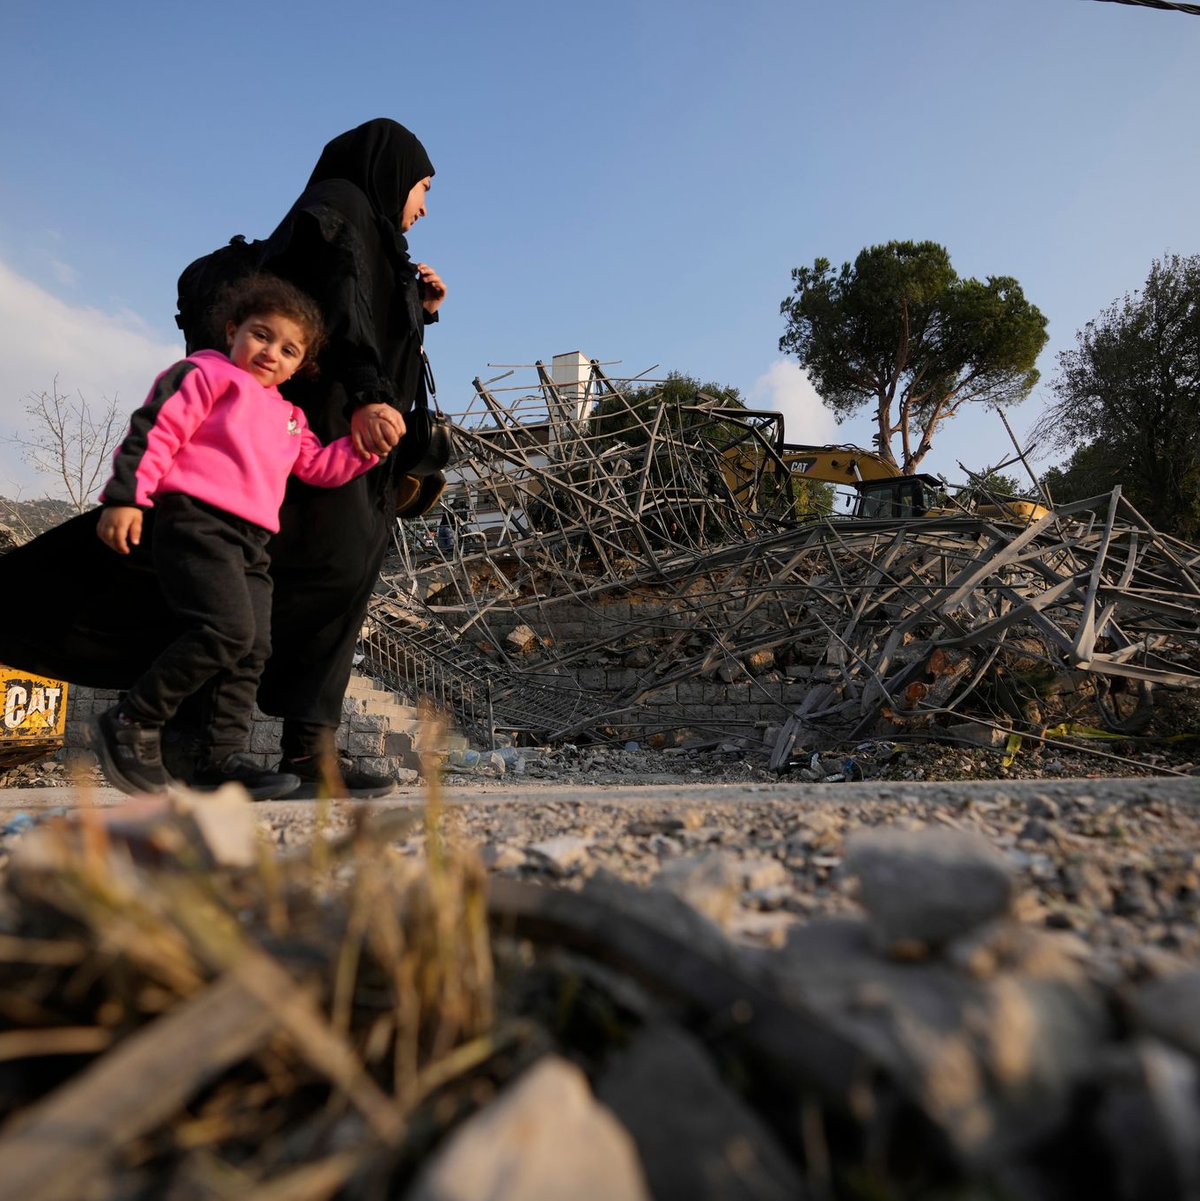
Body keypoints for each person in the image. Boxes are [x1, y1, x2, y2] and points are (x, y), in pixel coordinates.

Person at [0, 119, 447, 800]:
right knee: (244, 614)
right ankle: (175, 732)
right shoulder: (341, 206)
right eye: (422, 186)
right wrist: (365, 393)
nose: (423, 204)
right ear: (391, 171)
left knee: (271, 623)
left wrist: (419, 308)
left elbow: (366, 314)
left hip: (324, 460)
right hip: (265, 476)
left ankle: (264, 751)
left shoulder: (378, 243)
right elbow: (341, 308)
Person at [89, 275, 379, 799]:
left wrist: (368, 448)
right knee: (223, 632)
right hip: (197, 522)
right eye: (261, 335)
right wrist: (126, 496)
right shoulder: (206, 374)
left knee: (252, 648)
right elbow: (156, 429)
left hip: (252, 542)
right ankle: (133, 718)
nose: (271, 353)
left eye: (289, 349)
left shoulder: (291, 417)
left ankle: (220, 758)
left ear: (300, 364)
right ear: (232, 330)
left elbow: (317, 467)